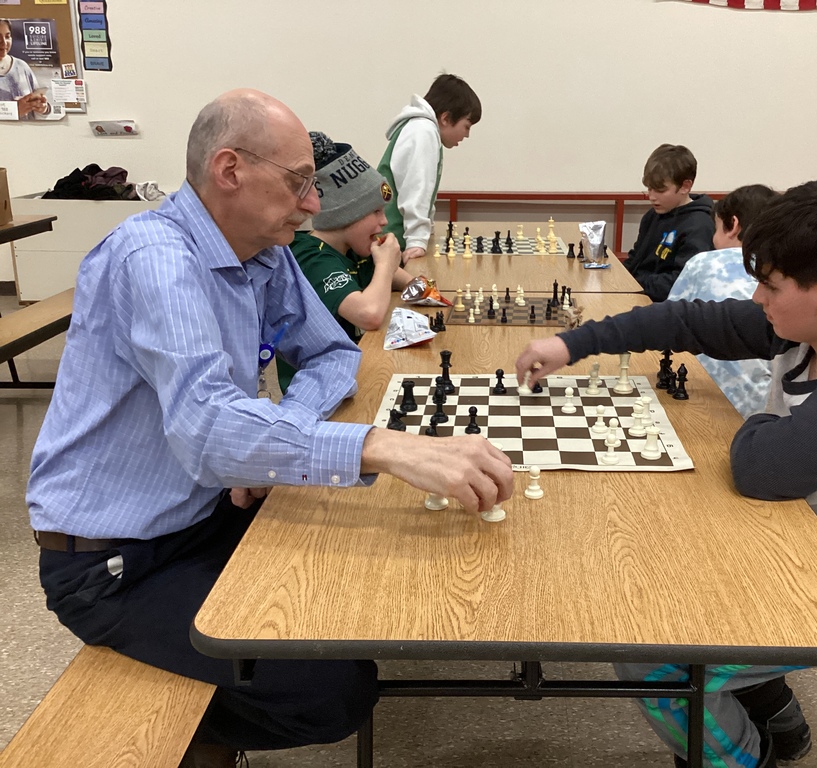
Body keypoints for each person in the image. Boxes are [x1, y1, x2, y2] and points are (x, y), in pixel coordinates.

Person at [26, 88, 513, 768]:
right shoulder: (157, 260)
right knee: (333, 690)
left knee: (356, 587)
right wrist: (385, 445)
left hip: (205, 511)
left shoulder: (265, 249)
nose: (315, 205)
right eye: (300, 184)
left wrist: (273, 433)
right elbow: (207, 431)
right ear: (230, 170)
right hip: (114, 562)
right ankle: (185, 734)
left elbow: (334, 353)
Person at [515, 169, 817, 768]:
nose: (756, 300)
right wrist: (573, 345)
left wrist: (759, 421)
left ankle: (744, 760)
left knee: (650, 655)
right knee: (661, 566)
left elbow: (759, 467)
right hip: (798, 545)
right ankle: (780, 718)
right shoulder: (811, 328)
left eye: (769, 287)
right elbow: (684, 320)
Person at [277, 131, 415, 392]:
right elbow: (369, 315)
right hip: (317, 392)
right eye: (375, 212)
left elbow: (409, 284)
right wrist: (386, 265)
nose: (384, 222)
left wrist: (400, 273)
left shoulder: (355, 249)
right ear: (345, 215)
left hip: (355, 373)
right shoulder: (310, 255)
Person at [666, 184, 779, 417]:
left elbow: (668, 323)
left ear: (733, 226)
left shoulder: (702, 263)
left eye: (715, 228)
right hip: (761, 409)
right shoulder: (781, 273)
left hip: (700, 398)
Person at [377, 73, 481, 262]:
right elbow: (415, 190)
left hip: (390, 239)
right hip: (390, 241)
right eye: (467, 126)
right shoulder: (423, 132)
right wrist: (417, 241)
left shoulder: (421, 129)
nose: (467, 135)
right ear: (446, 118)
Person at [623, 144, 715, 302]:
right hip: (639, 294)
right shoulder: (652, 216)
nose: (652, 197)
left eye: (660, 190)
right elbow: (635, 259)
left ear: (685, 186)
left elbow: (681, 282)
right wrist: (618, 277)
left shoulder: (699, 226)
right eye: (649, 189)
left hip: (666, 307)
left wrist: (634, 284)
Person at [0, 19, 50, 119]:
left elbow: (37, 106)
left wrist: (43, 108)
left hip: (28, 133)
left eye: (7, 36)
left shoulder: (22, 66)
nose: (4, 42)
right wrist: (14, 111)